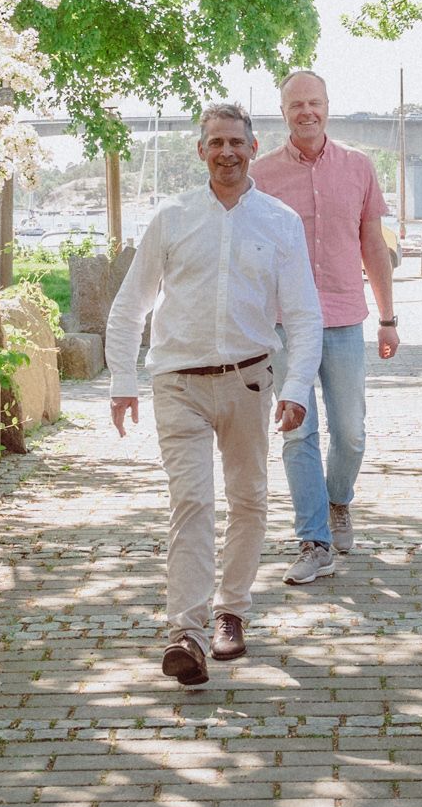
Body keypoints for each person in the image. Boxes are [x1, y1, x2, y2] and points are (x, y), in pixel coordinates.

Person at [107, 101, 322, 686]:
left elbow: (304, 316)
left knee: (249, 500)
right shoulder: (171, 217)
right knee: (193, 503)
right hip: (177, 384)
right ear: (200, 151)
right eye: (215, 142)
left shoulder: (280, 222)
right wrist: (123, 382)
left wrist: (297, 386)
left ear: (254, 148)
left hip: (251, 381)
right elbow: (130, 306)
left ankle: (232, 612)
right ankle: (187, 630)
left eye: (236, 142)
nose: (226, 152)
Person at [252, 69, 398, 585]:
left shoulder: (358, 167)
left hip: (341, 319)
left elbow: (374, 246)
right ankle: (313, 541)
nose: (306, 112)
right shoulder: (261, 175)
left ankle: (338, 501)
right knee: (299, 433)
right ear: (284, 112)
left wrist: (388, 318)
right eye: (296, 105)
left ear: (328, 106)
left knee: (352, 433)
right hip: (285, 325)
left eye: (314, 103)